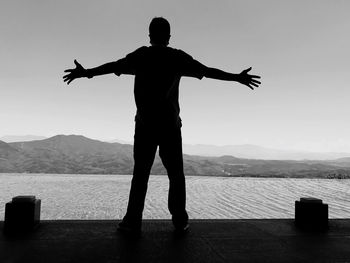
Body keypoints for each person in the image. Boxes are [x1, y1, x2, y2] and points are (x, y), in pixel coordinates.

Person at [63, 17, 261, 234]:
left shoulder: (141, 56)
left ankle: (132, 221)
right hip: (170, 127)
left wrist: (86, 73)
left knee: (141, 174)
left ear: (149, 35)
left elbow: (112, 67)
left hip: (145, 126)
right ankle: (179, 220)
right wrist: (236, 78)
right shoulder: (177, 58)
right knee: (176, 175)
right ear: (168, 36)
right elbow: (207, 71)